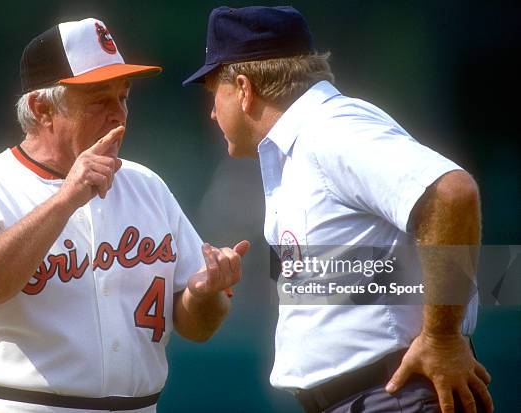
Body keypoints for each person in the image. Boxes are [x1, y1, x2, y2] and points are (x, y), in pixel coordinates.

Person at [0, 17, 249, 413]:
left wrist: (205, 294)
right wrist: (65, 200)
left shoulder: (147, 186)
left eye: (124, 96)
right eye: (100, 100)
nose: (119, 114)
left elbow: (198, 327)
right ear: (41, 108)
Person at [183, 6, 492, 413]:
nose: (211, 111)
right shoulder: (300, 146)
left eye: (212, 92)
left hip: (395, 395)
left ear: (242, 88)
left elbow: (452, 193)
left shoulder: (330, 130)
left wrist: (443, 337)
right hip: (370, 398)